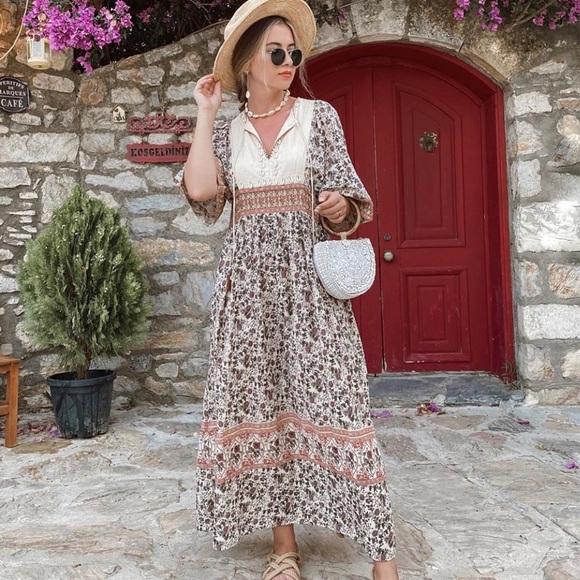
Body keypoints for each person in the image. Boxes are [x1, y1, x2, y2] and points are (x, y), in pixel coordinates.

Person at [177, 1, 399, 578]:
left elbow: (352, 201)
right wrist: (205, 112)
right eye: (275, 51)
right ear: (247, 62)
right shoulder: (227, 130)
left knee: (341, 403)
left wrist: (338, 205)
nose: (288, 60)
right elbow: (201, 193)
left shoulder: (318, 117)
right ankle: (285, 546)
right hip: (248, 293)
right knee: (263, 407)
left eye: (293, 52)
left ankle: (382, 554)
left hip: (310, 290)